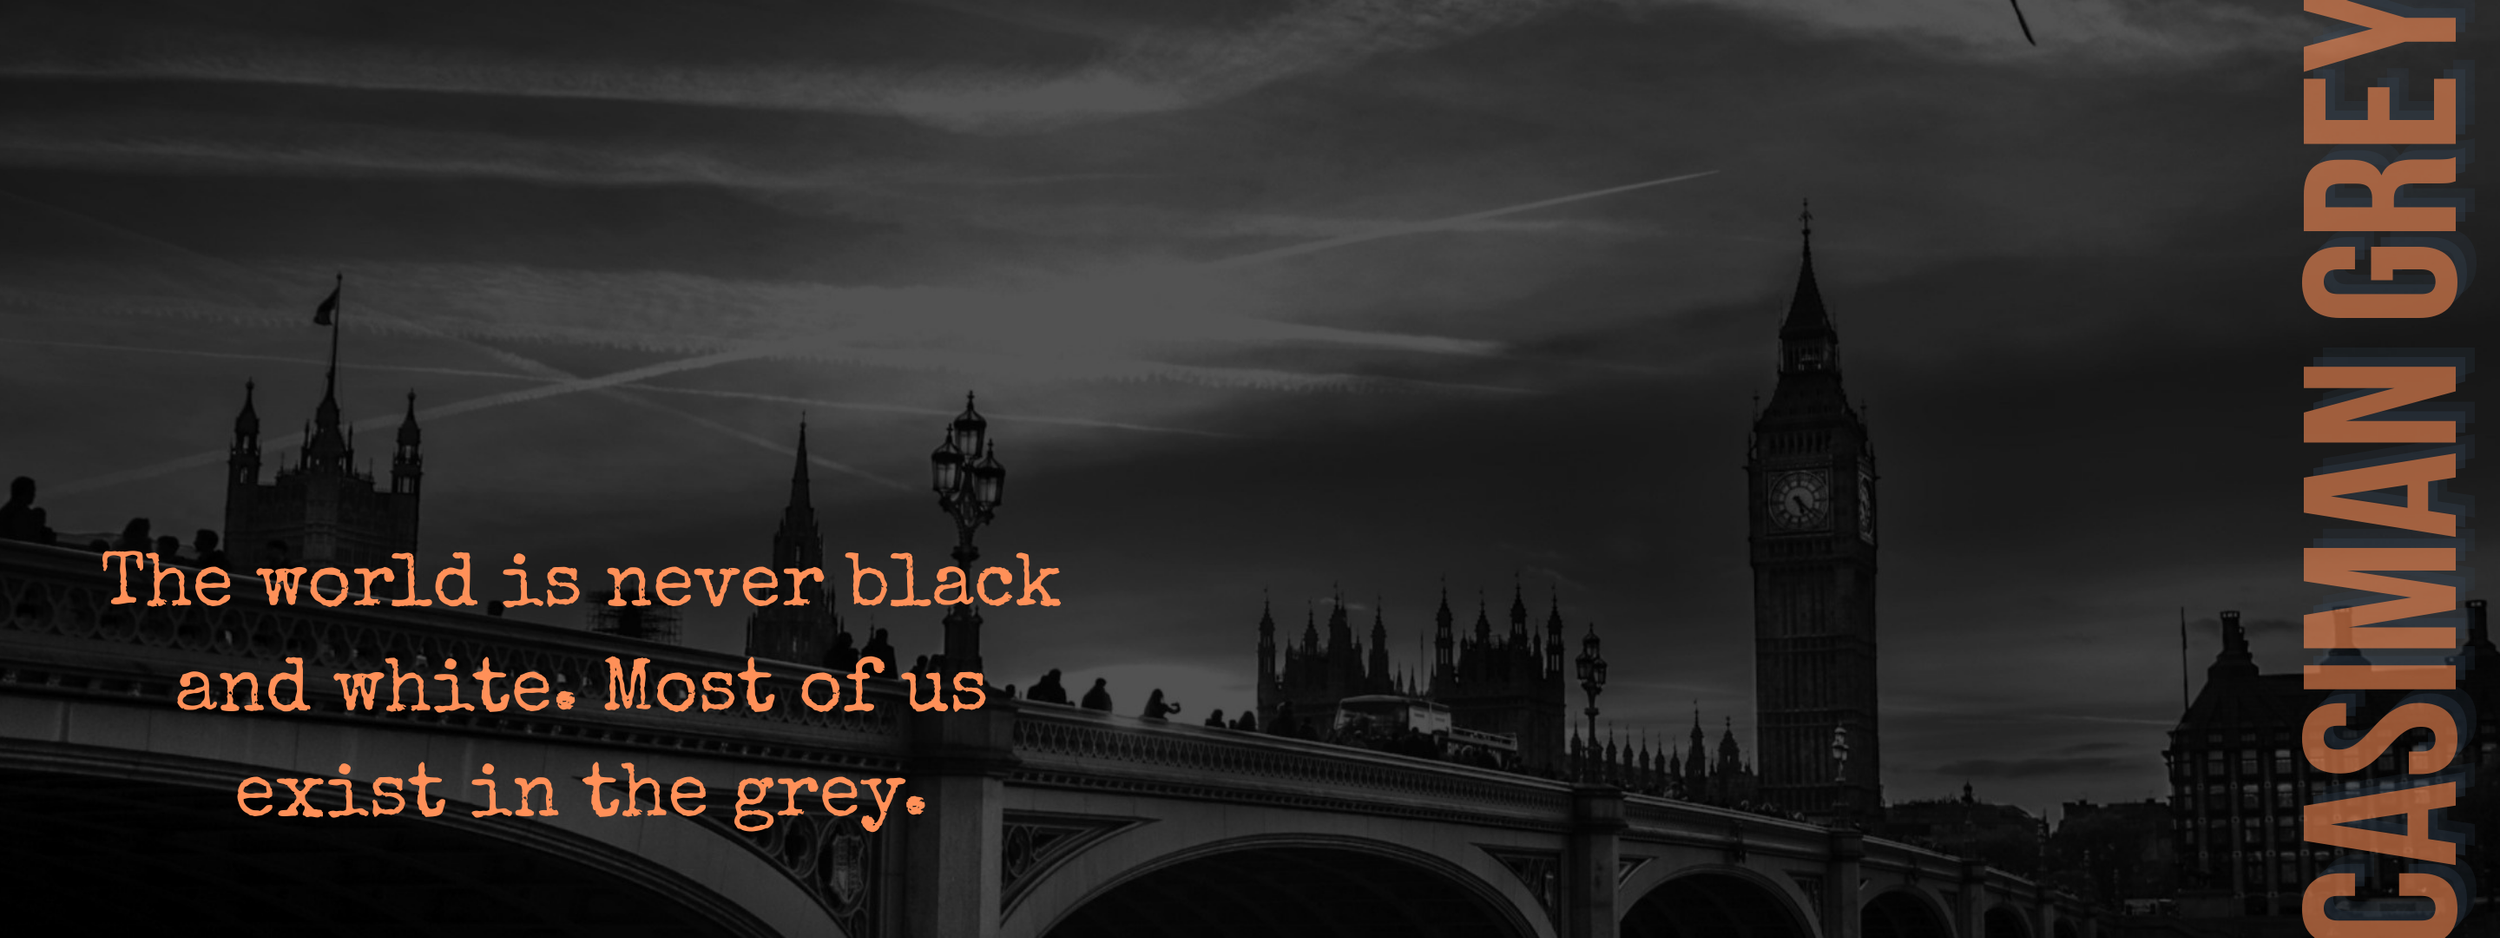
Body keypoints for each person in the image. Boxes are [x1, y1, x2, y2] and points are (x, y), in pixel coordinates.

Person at [0, 476, 56, 544]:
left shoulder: (9, 511)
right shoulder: (18, 515)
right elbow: (27, 538)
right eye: (31, 491)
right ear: (22, 492)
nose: (34, 495)